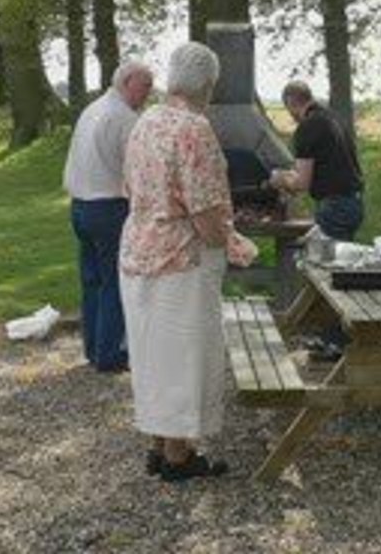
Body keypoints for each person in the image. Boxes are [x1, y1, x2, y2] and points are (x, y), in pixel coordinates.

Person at [119, 42, 257, 482]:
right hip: (180, 260)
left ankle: (159, 446)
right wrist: (233, 242)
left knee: (151, 355)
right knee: (183, 358)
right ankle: (179, 457)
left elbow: (131, 190)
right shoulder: (194, 129)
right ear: (209, 86)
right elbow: (206, 213)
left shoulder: (146, 121)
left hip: (138, 252)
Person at [64, 61, 154, 372]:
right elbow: (138, 171)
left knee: (91, 282)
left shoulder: (92, 109)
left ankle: (93, 348)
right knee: (114, 283)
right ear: (128, 82)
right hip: (108, 207)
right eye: (146, 86)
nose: (149, 93)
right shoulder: (125, 118)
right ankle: (110, 354)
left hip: (80, 206)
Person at [269, 80, 365, 241]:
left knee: (327, 264)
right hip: (354, 203)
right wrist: (290, 174)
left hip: (336, 208)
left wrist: (279, 179)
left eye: (288, 109)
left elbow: (302, 184)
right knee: (339, 261)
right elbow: (326, 165)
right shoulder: (333, 118)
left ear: (290, 103)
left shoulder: (308, 127)